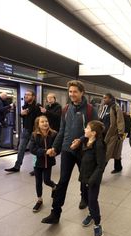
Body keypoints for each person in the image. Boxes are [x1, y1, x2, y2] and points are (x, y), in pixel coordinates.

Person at [41, 80, 98, 224]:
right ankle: (55, 213)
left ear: (82, 93)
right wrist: (55, 147)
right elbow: (62, 131)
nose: (72, 94)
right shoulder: (66, 109)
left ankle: (84, 198)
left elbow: (96, 131)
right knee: (62, 181)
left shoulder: (91, 110)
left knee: (85, 179)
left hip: (84, 151)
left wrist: (80, 140)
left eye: (75, 92)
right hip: (67, 150)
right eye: (70, 91)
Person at [77, 120, 106, 236]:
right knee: (86, 197)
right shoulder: (86, 141)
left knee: (93, 200)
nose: (84, 129)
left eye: (87, 128)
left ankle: (98, 224)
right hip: (84, 176)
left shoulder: (99, 145)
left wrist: (92, 180)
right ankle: (90, 214)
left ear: (93, 133)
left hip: (93, 179)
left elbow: (101, 166)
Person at [5, 90, 41, 172]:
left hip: (35, 131)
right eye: (25, 95)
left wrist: (26, 112)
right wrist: (21, 114)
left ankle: (37, 167)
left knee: (34, 150)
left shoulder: (37, 106)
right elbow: (23, 116)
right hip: (26, 130)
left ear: (33, 97)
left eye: (28, 95)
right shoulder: (24, 106)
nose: (26, 96)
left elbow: (39, 119)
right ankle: (17, 166)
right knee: (21, 148)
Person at [29, 115, 57, 212]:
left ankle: (54, 186)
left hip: (48, 162)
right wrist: (45, 151)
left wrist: (55, 151)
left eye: (46, 121)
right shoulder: (34, 135)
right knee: (38, 182)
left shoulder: (53, 134)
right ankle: (39, 200)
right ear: (38, 124)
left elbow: (57, 146)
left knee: (46, 180)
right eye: (42, 122)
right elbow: (32, 149)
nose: (45, 123)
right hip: (37, 163)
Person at [98, 93, 125, 174]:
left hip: (112, 134)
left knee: (107, 153)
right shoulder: (103, 107)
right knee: (116, 151)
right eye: (103, 98)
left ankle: (98, 173)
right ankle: (118, 167)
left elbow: (120, 120)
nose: (104, 99)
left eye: (105, 98)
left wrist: (120, 133)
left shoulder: (115, 107)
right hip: (102, 133)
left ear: (111, 99)